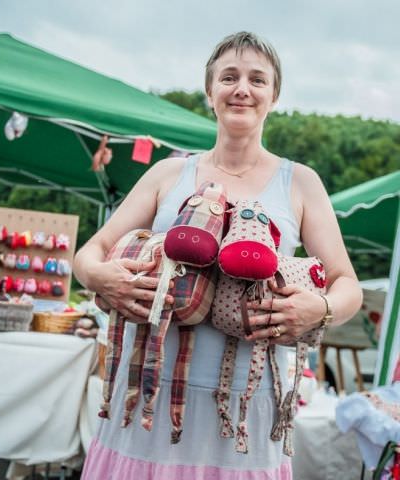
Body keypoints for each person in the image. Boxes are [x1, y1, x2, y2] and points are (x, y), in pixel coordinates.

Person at [74, 31, 362, 480]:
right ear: (210, 92)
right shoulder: (169, 173)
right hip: (149, 393)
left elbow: (348, 284)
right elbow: (89, 252)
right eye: (229, 77)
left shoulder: (300, 183)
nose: (242, 89)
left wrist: (318, 308)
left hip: (243, 410)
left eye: (257, 79)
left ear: (274, 95)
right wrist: (100, 278)